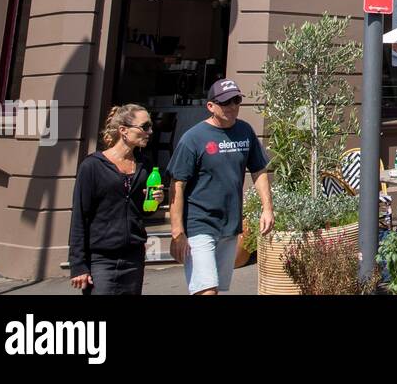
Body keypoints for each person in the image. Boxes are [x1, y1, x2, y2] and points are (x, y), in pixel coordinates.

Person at [168, 79, 272, 296]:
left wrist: (267, 208)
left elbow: (258, 170)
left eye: (236, 100)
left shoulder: (245, 131)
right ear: (211, 106)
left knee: (218, 288)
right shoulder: (193, 138)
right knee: (207, 290)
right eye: (225, 102)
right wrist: (177, 232)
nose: (232, 107)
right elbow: (177, 185)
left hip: (230, 225)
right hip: (199, 225)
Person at [68, 104, 164, 295]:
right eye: (144, 127)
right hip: (101, 258)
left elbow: (141, 211)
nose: (150, 132)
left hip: (133, 256)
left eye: (150, 126)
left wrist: (154, 202)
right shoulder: (92, 166)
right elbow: (80, 216)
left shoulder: (144, 167)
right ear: (123, 130)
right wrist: (78, 264)